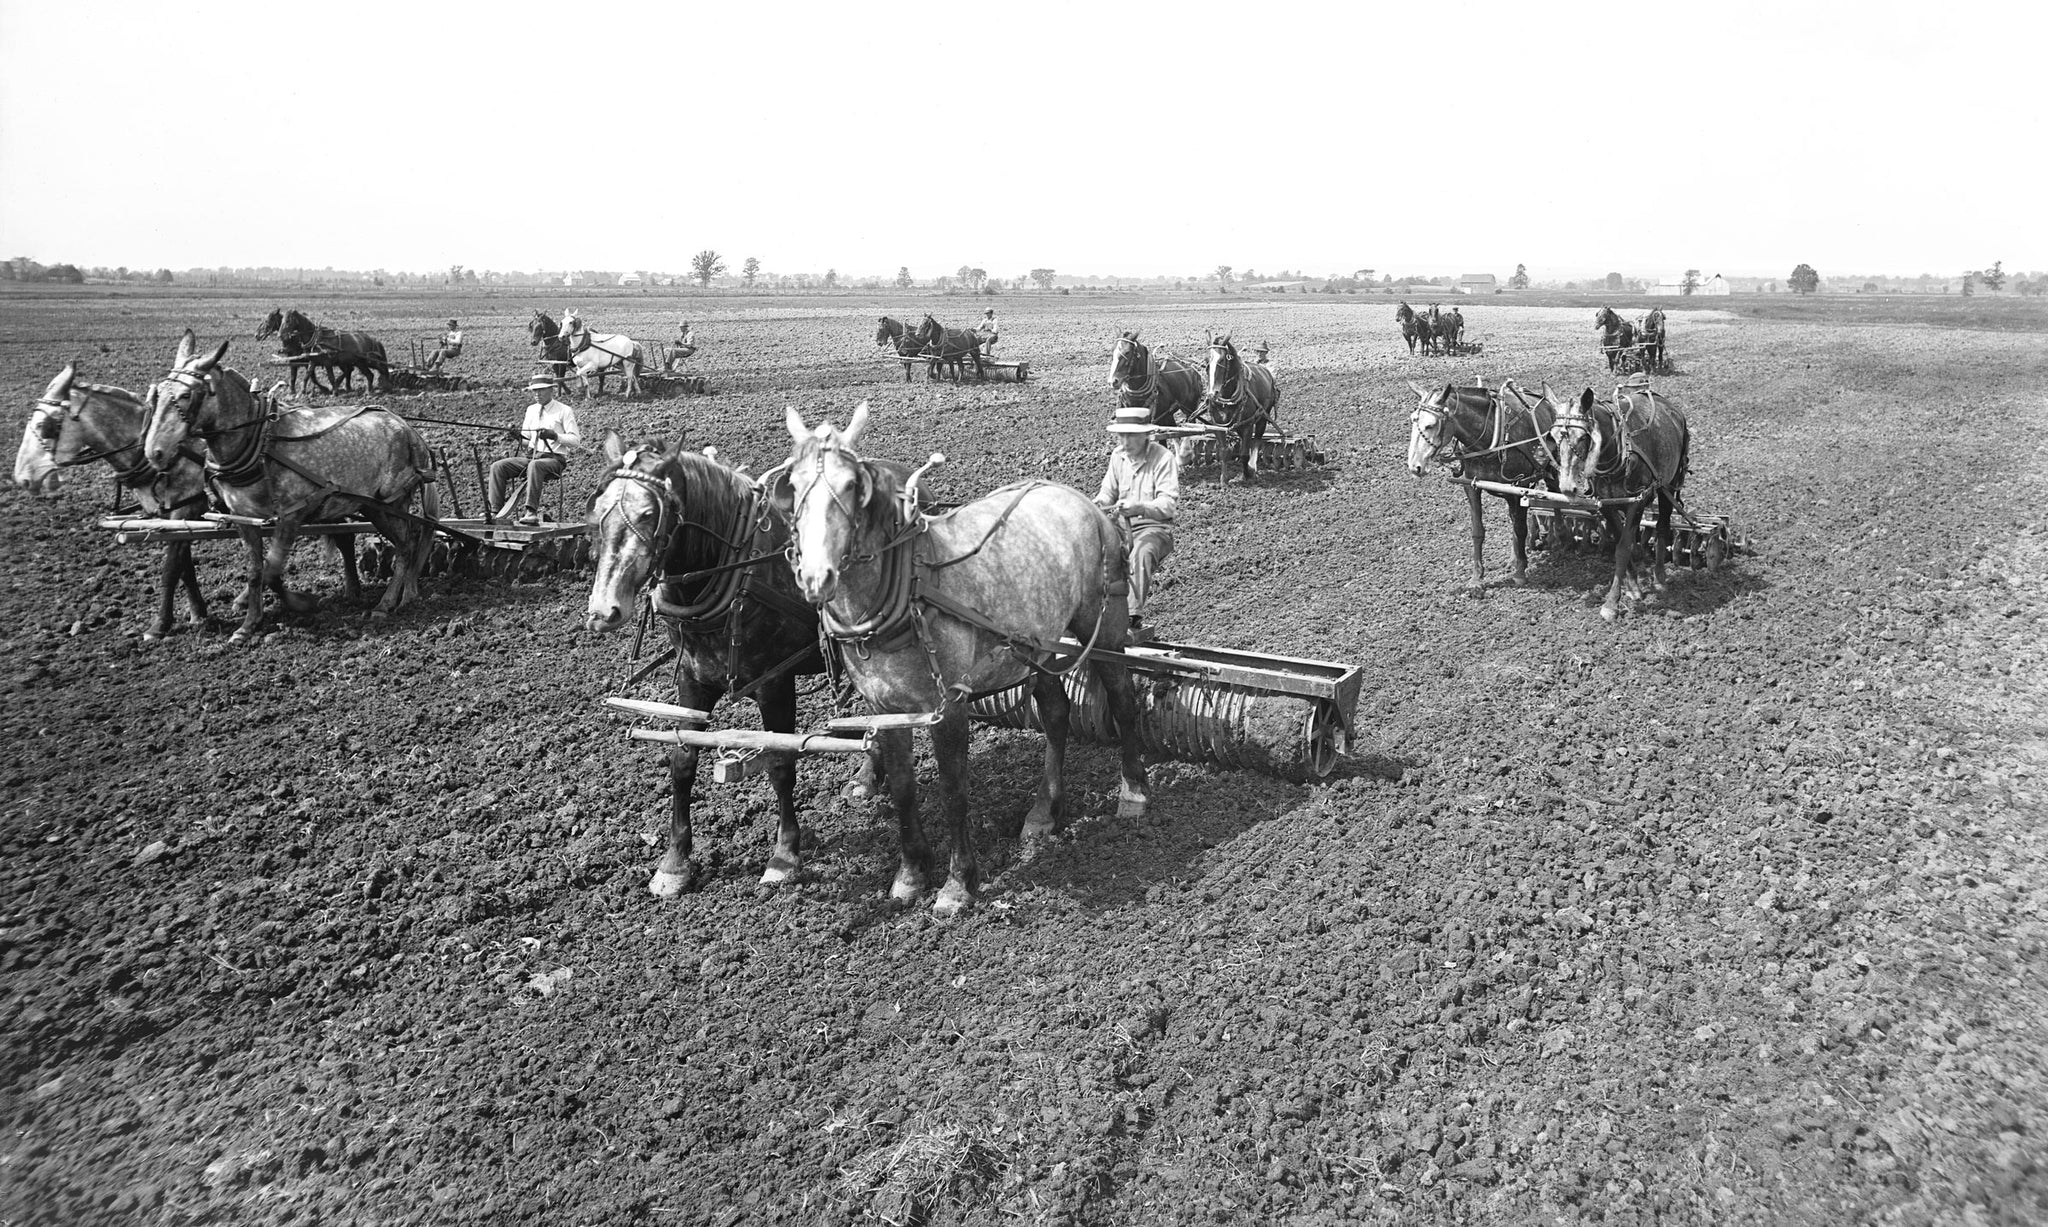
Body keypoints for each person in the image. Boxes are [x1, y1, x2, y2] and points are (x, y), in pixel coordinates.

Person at [1094, 404, 1179, 643]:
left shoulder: (1163, 458)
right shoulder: (1117, 457)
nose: (1125, 441)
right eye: (1122, 435)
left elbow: (1167, 505)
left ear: (1146, 435)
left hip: (1154, 528)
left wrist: (1140, 507)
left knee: (1140, 552)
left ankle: (1130, 618)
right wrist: (1097, 504)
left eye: (1131, 435)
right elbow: (1106, 494)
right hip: (1120, 527)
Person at [490, 378, 583, 526]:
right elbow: (528, 441)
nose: (537, 394)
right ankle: (496, 512)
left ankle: (531, 512)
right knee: (498, 466)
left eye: (541, 390)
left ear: (551, 390)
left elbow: (575, 441)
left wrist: (555, 435)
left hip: (554, 460)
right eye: (534, 391)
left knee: (535, 465)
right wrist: (517, 436)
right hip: (531, 456)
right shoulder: (531, 410)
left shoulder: (564, 410)